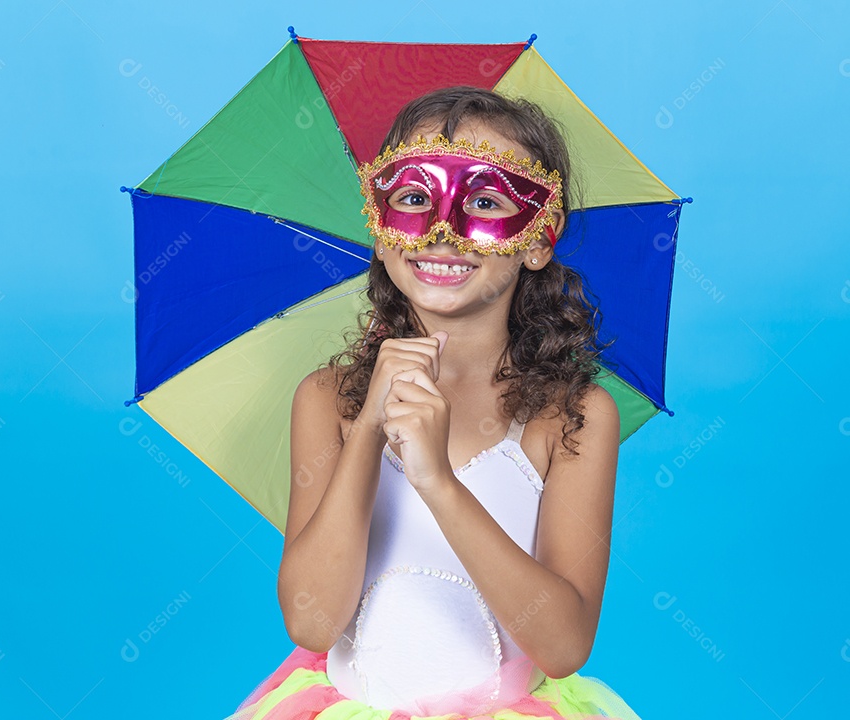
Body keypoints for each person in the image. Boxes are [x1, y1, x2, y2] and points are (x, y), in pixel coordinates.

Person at [226, 86, 642, 720]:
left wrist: (438, 481)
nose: (443, 231)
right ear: (380, 221)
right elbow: (312, 623)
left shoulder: (572, 416)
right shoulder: (328, 398)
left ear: (538, 237)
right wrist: (368, 427)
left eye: (484, 201)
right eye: (415, 198)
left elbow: (563, 645)